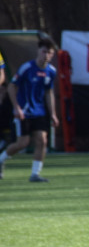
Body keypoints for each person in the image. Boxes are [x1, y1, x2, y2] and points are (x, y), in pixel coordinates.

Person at [0, 39, 58, 182]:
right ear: (38, 51)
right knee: (22, 143)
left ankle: (35, 174)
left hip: (40, 112)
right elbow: (12, 87)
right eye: (44, 51)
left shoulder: (51, 72)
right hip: (24, 112)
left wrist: (53, 114)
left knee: (42, 141)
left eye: (49, 53)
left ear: (52, 55)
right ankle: (1, 159)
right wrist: (16, 107)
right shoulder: (27, 68)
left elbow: (49, 93)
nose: (46, 55)